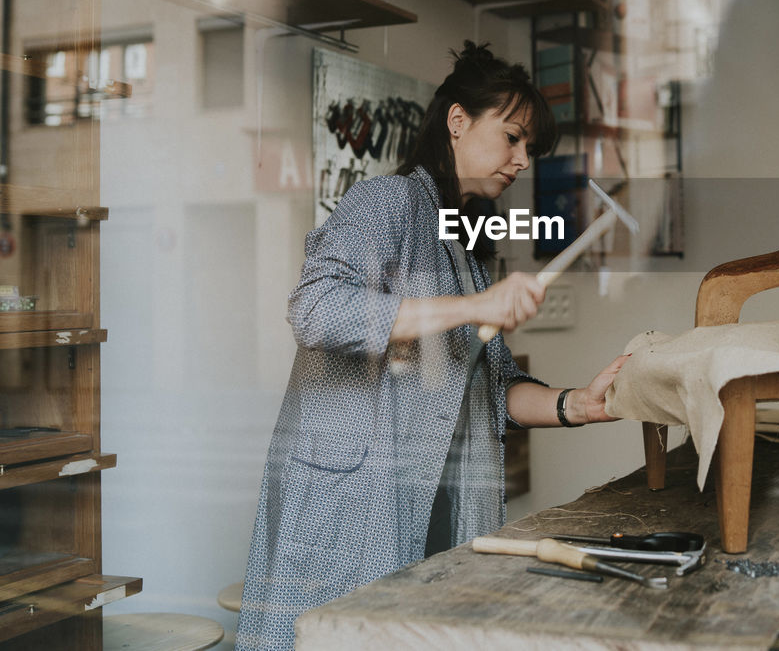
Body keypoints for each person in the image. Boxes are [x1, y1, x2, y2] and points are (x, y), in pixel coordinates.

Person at [236, 42, 628, 651]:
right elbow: (314, 309)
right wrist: (473, 309)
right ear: (458, 121)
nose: (522, 159)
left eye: (530, 148)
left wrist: (577, 404)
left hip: (437, 503)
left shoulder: (467, 238)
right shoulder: (384, 203)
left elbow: (493, 390)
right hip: (353, 504)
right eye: (514, 138)